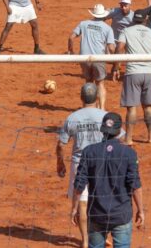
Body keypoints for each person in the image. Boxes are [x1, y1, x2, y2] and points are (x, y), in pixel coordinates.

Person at [72, 112, 144, 248]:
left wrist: (75, 208)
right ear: (118, 131)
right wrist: (141, 210)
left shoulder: (89, 152)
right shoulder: (128, 153)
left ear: (103, 130)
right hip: (121, 213)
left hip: (96, 213)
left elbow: (79, 185)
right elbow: (135, 185)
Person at [57, 82, 108, 248]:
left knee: (82, 204)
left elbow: (61, 144)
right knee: (102, 201)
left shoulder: (72, 118)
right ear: (97, 98)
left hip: (80, 165)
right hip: (102, 164)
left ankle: (85, 241)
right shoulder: (105, 116)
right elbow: (118, 138)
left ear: (81, 98)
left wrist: (60, 162)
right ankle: (100, 236)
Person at [116, 9, 151, 145]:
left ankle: (129, 138)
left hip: (133, 72)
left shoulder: (126, 31)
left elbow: (119, 48)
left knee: (131, 108)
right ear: (145, 20)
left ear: (133, 20)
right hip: (150, 73)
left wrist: (116, 66)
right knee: (148, 107)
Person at [69, 4, 116, 110]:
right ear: (104, 16)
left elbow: (71, 38)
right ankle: (102, 108)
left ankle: (88, 107)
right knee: (100, 83)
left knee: (89, 82)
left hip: (84, 59)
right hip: (99, 59)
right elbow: (111, 48)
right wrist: (113, 60)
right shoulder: (107, 28)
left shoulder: (83, 23)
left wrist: (71, 52)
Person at [105, 0, 135, 80]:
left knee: (119, 57)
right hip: (113, 39)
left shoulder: (133, 16)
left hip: (126, 41)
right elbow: (103, 17)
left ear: (130, 5)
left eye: (126, 5)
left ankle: (115, 69)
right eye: (121, 6)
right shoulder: (115, 11)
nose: (123, 8)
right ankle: (116, 67)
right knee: (110, 58)